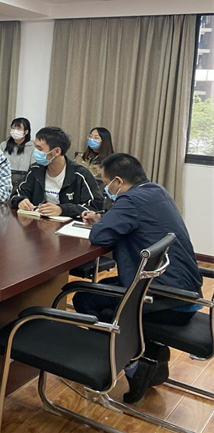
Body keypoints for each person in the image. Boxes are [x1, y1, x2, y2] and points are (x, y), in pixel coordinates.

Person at [76, 153, 203, 403]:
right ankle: (152, 352)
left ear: (118, 181)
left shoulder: (130, 200)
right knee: (102, 290)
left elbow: (99, 237)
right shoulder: (156, 191)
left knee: (86, 300)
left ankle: (134, 366)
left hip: (165, 299)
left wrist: (101, 223)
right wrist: (104, 219)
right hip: (185, 293)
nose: (106, 189)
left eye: (106, 183)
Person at [10, 126, 103, 218]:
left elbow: (94, 207)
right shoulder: (35, 169)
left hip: (67, 225)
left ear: (57, 151)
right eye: (35, 147)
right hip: (38, 221)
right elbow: (17, 194)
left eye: (40, 149)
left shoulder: (80, 174)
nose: (35, 152)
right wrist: (20, 201)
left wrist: (62, 210)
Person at [0, 117, 34, 188]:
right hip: (4, 181)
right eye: (13, 128)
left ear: (26, 132)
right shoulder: (4, 145)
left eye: (18, 129)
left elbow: (33, 169)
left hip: (24, 183)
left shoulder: (32, 147)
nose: (15, 131)